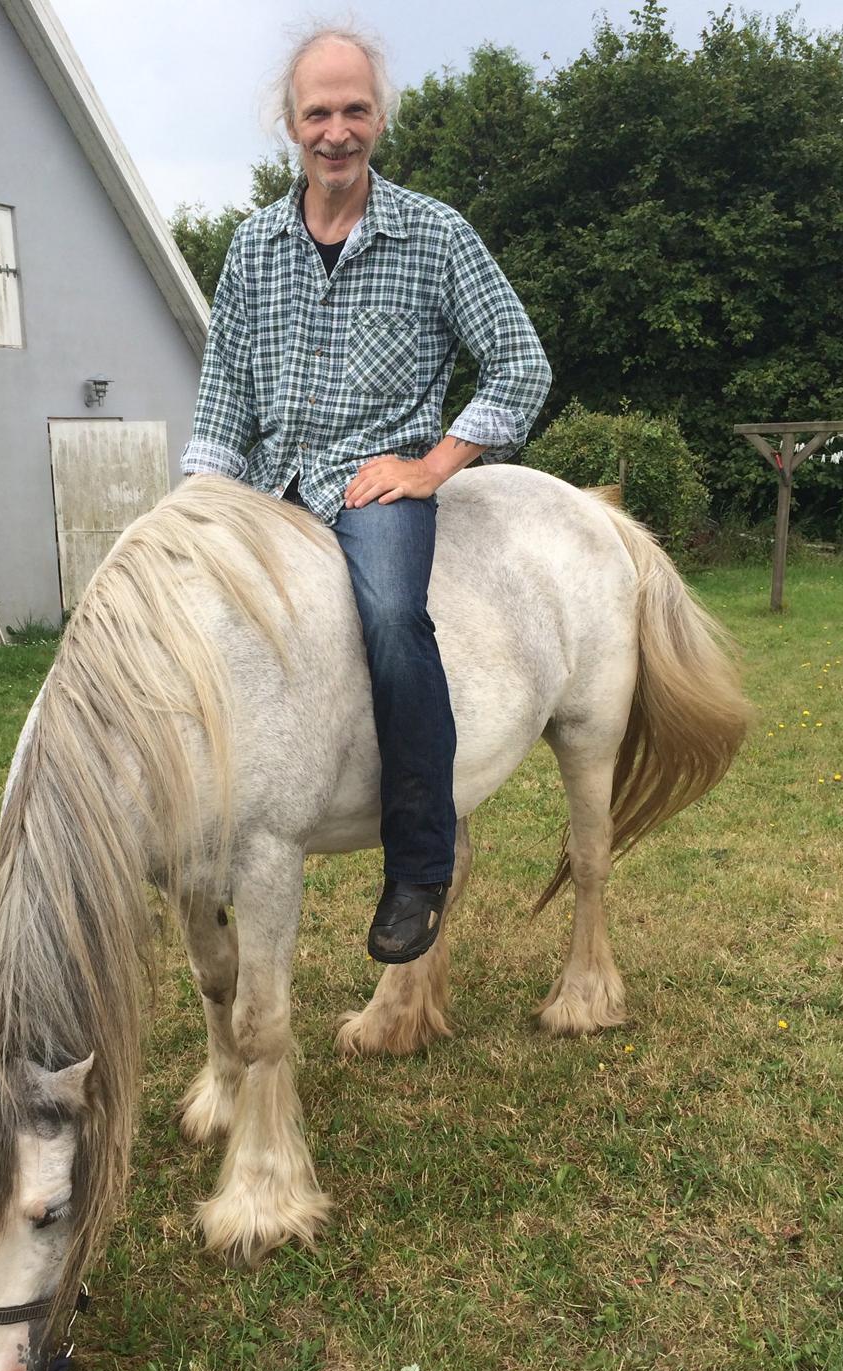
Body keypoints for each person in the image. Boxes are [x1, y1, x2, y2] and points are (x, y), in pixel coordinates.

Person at [181, 25, 551, 964]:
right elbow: (223, 405)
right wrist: (190, 513)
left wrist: (431, 468)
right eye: (318, 113)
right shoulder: (253, 248)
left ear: (379, 119)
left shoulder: (434, 235)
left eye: (354, 111)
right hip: (266, 494)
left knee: (392, 620)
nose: (335, 131)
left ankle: (419, 862)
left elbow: (520, 364)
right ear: (290, 125)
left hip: (376, 493)